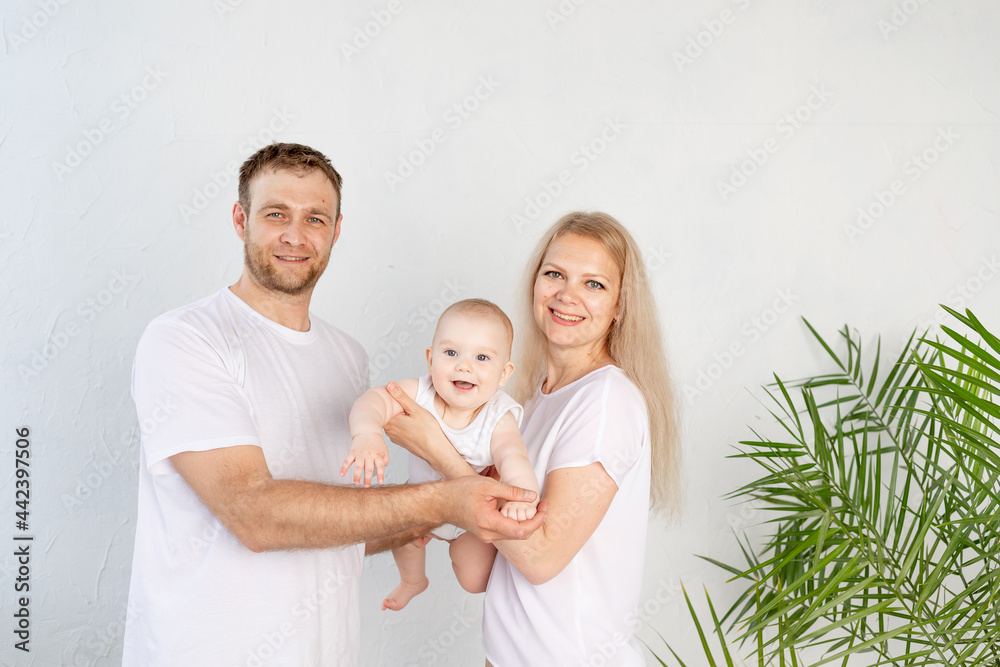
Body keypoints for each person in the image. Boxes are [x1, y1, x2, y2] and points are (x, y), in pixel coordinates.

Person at [122, 142, 544, 667]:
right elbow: (255, 516)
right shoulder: (186, 338)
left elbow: (335, 522)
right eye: (276, 214)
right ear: (240, 219)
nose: (296, 236)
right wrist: (443, 499)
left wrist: (433, 513)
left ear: (337, 231)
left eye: (315, 218)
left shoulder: (347, 356)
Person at [383, 211, 680, 666]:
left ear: (621, 305)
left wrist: (437, 451)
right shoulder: (530, 402)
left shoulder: (604, 401)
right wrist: (437, 512)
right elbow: (484, 571)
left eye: (594, 284)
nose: (566, 295)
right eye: (555, 274)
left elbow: (540, 559)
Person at [341, 298, 538, 611]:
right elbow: (373, 401)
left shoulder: (499, 416)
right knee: (399, 529)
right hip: (423, 501)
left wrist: (520, 498)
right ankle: (413, 580)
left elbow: (514, 458)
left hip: (471, 515)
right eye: (451, 353)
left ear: (504, 373)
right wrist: (367, 433)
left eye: (482, 357)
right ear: (431, 359)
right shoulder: (420, 393)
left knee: (475, 579)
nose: (464, 365)